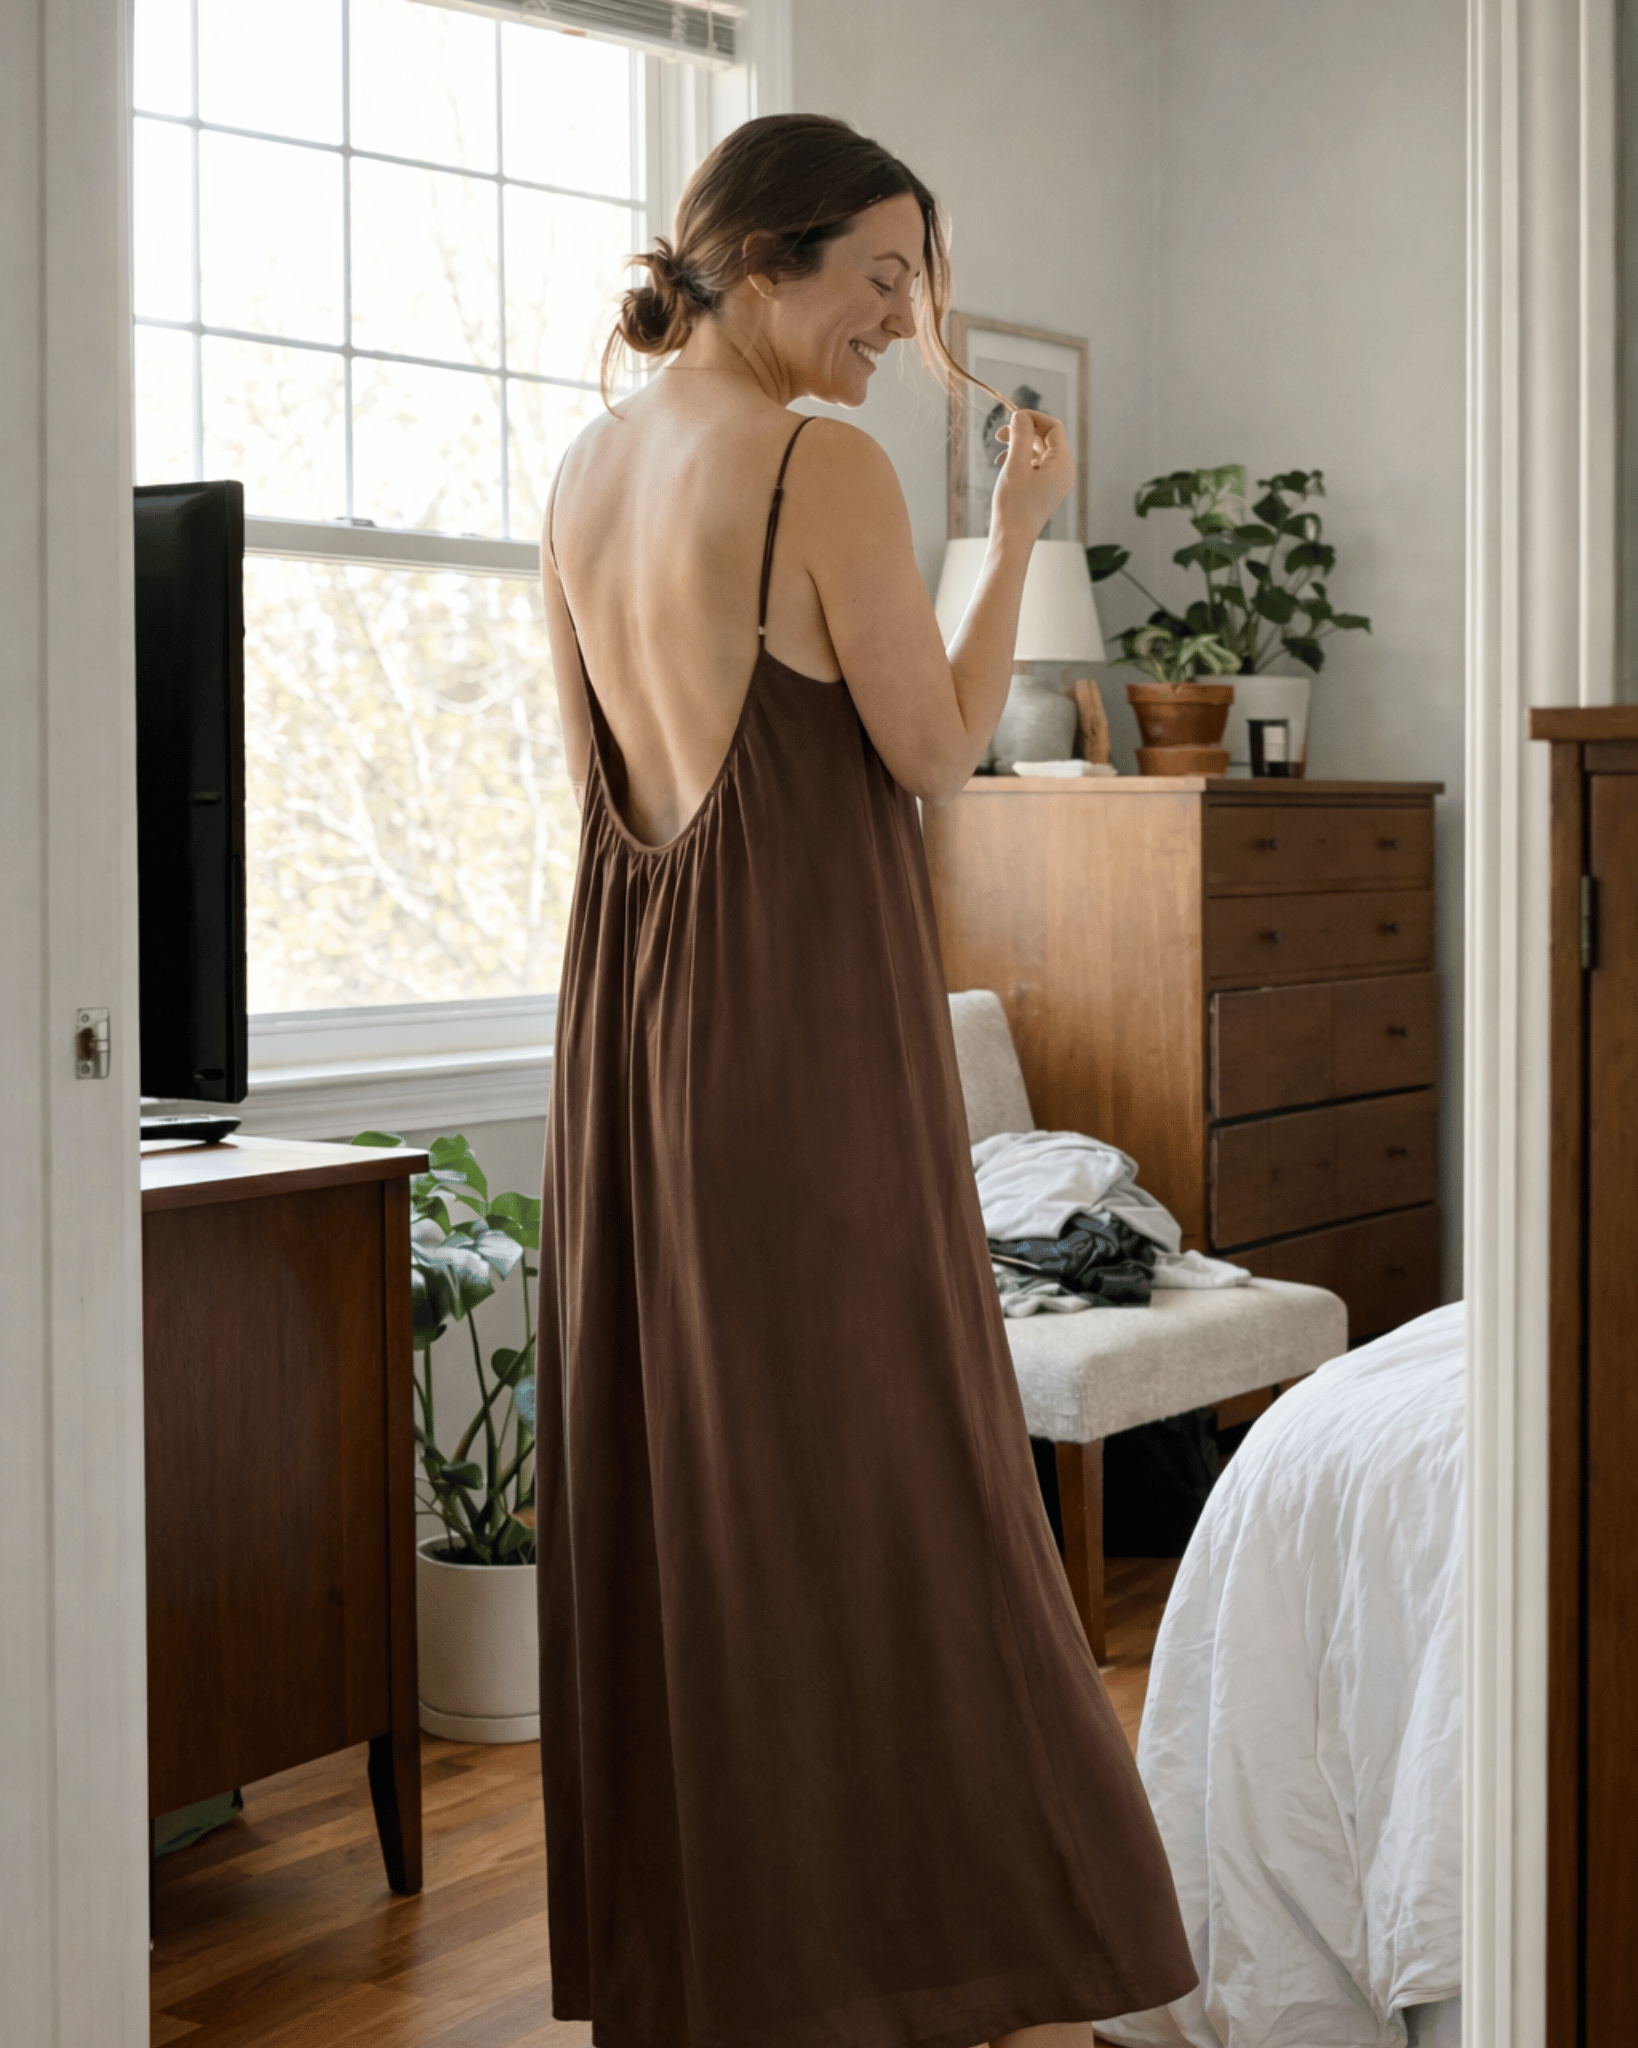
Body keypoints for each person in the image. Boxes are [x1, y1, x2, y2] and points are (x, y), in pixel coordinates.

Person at [535, 112, 1196, 2048]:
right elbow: (933, 752)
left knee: (711, 1475)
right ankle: (948, 1941)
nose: (906, 323)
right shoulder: (811, 460)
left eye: (921, 283)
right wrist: (1007, 543)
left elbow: (594, 781)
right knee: (891, 1469)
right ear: (761, 259)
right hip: (805, 1025)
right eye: (883, 275)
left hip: (643, 1032)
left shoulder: (585, 464)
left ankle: (743, 1946)